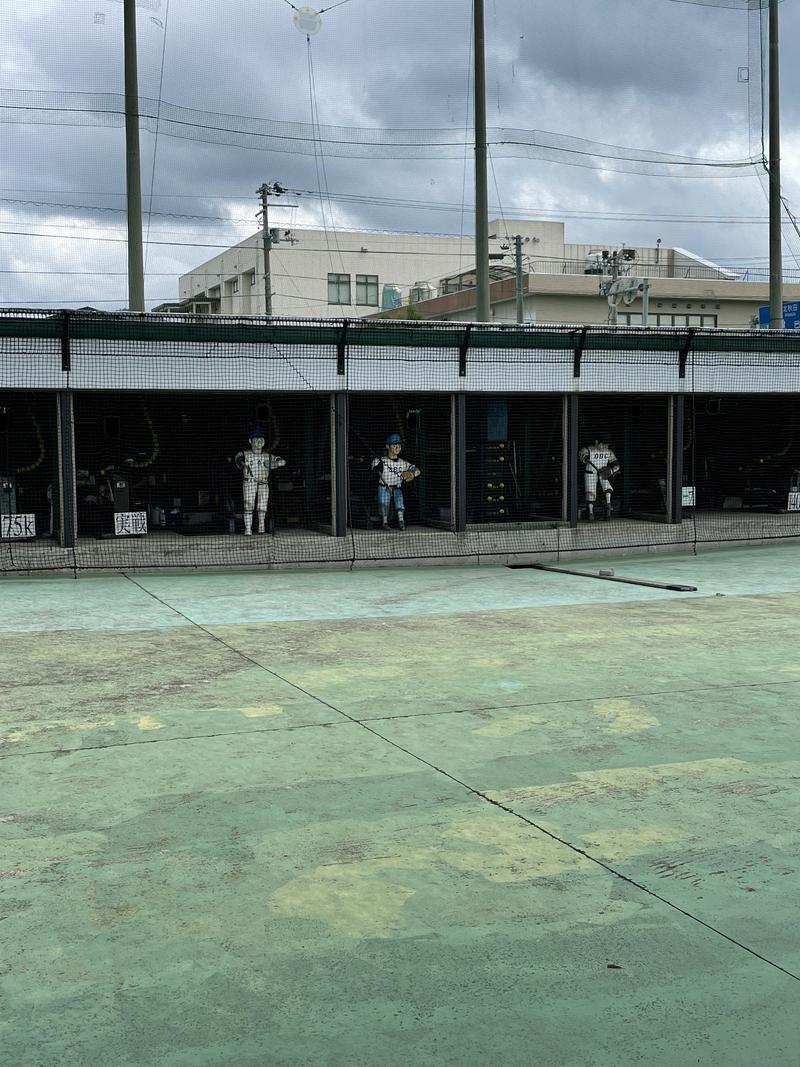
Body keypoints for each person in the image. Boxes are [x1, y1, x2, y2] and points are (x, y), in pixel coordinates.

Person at [235, 424, 286, 535]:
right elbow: (237, 458)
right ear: (250, 440)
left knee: (262, 505)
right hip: (250, 482)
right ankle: (248, 529)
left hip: (263, 483)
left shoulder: (267, 455)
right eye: (256, 439)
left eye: (261, 439)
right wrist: (243, 464)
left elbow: (282, 461)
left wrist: (276, 464)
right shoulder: (245, 453)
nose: (259, 441)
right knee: (248, 504)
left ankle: (261, 527)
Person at [371, 432, 421, 530]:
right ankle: (384, 522)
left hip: (396, 487)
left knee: (399, 503)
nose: (397, 447)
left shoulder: (403, 463)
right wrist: (377, 467)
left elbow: (418, 470)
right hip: (384, 487)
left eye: (399, 445)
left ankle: (401, 521)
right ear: (388, 446)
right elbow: (373, 467)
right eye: (394, 445)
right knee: (384, 503)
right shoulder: (381, 460)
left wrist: (412, 474)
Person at [579, 435, 620, 520]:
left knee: (607, 487)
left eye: (606, 445)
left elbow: (617, 465)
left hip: (602, 472)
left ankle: (608, 505)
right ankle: (590, 512)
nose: (605, 447)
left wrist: (611, 471)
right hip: (590, 473)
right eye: (603, 444)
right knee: (590, 491)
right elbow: (582, 455)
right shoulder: (588, 450)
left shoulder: (608, 452)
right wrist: (585, 457)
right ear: (596, 442)